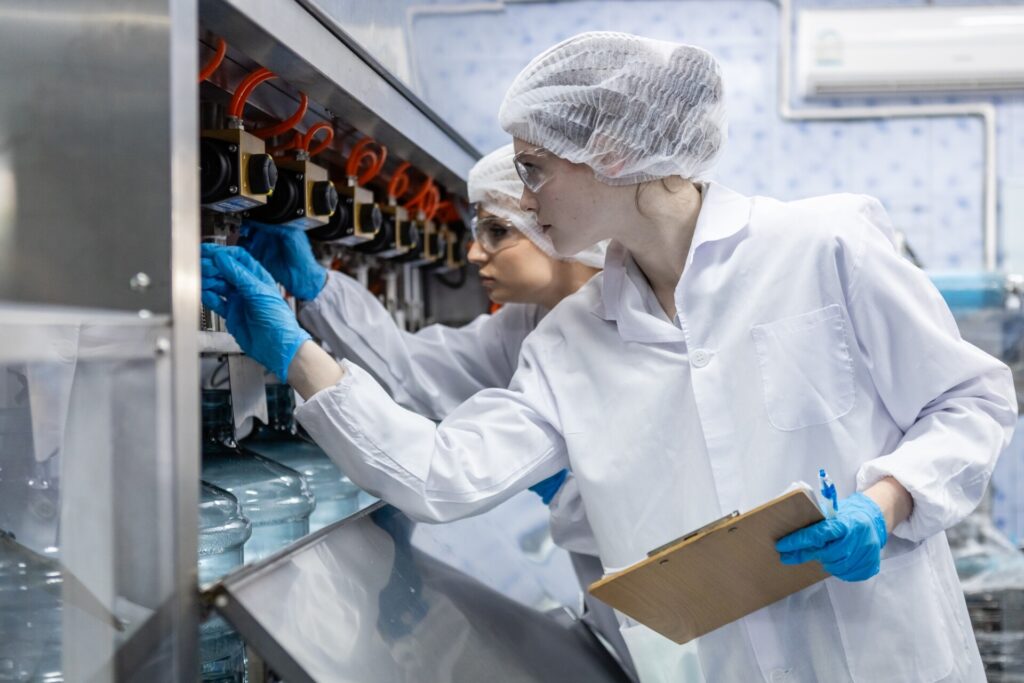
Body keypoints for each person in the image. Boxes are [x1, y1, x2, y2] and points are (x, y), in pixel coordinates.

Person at [203, 32, 1016, 682]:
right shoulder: (569, 340)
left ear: (617, 152)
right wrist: (296, 347)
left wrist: (890, 501)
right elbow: (442, 475)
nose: (520, 200)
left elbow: (972, 402)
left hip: (893, 657)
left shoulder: (824, 244)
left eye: (534, 170)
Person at [224, 145, 636, 678]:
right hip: (622, 611)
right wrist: (318, 290)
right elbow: (413, 374)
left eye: (496, 231)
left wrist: (296, 355)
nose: (472, 253)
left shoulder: (626, 330)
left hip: (677, 608)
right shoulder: (528, 326)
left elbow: (442, 475)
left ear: (551, 224)